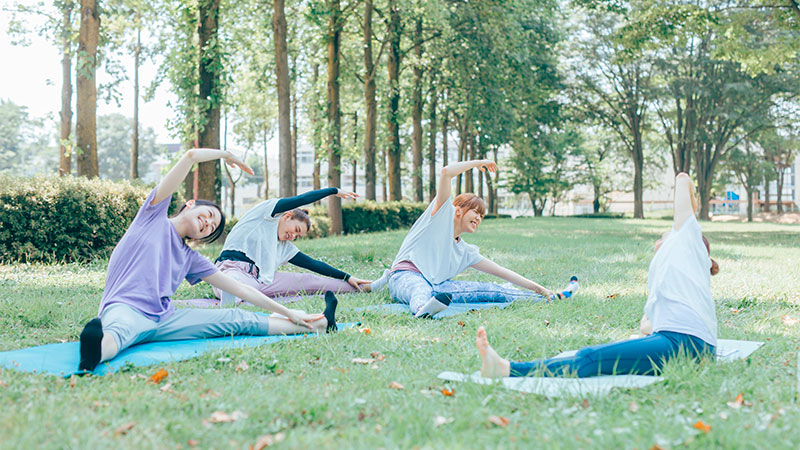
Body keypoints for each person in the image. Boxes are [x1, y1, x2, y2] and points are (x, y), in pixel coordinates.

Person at [77, 148, 338, 373]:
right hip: (127, 309)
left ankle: (318, 325)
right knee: (118, 332)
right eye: (209, 214)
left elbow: (240, 289)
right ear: (191, 204)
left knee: (236, 317)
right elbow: (189, 157)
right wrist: (225, 155)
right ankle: (95, 353)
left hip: (165, 320)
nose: (208, 222)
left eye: (212, 226)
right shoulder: (151, 217)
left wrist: (288, 311)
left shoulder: (191, 258)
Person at [476, 172, 718, 378]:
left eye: (667, 234)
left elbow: (683, 178)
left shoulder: (687, 240)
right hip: (689, 345)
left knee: (589, 357)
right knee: (602, 358)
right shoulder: (672, 277)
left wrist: (692, 208)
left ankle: (508, 369)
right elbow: (647, 325)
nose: (662, 236)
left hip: (686, 344)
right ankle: (507, 369)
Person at [373, 159, 577, 318]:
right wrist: (477, 163)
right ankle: (422, 311)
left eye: (482, 215)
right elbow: (445, 172)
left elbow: (503, 273)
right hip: (405, 277)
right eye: (476, 212)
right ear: (458, 211)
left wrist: (540, 288)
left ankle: (553, 297)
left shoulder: (466, 252)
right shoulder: (439, 216)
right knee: (420, 289)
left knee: (492, 290)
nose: (479, 218)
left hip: (439, 288)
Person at [213, 187, 375, 305]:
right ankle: (230, 295)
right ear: (287, 216)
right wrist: (332, 191)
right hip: (232, 269)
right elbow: (301, 199)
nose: (294, 236)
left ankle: (365, 287)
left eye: (298, 236)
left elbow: (313, 264)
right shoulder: (266, 214)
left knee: (310, 280)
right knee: (232, 282)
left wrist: (347, 277)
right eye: (296, 230)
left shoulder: (284, 246)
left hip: (260, 280)